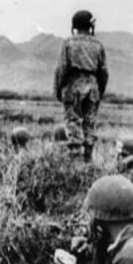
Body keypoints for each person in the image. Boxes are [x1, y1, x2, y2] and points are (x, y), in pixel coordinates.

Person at [54, 10, 109, 162]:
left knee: (73, 123)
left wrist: (59, 89)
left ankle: (76, 164)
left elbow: (62, 69)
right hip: (93, 87)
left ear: (75, 26)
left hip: (73, 85)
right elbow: (104, 72)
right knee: (89, 125)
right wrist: (100, 91)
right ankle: (88, 161)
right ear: (90, 25)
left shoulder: (68, 43)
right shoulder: (98, 44)